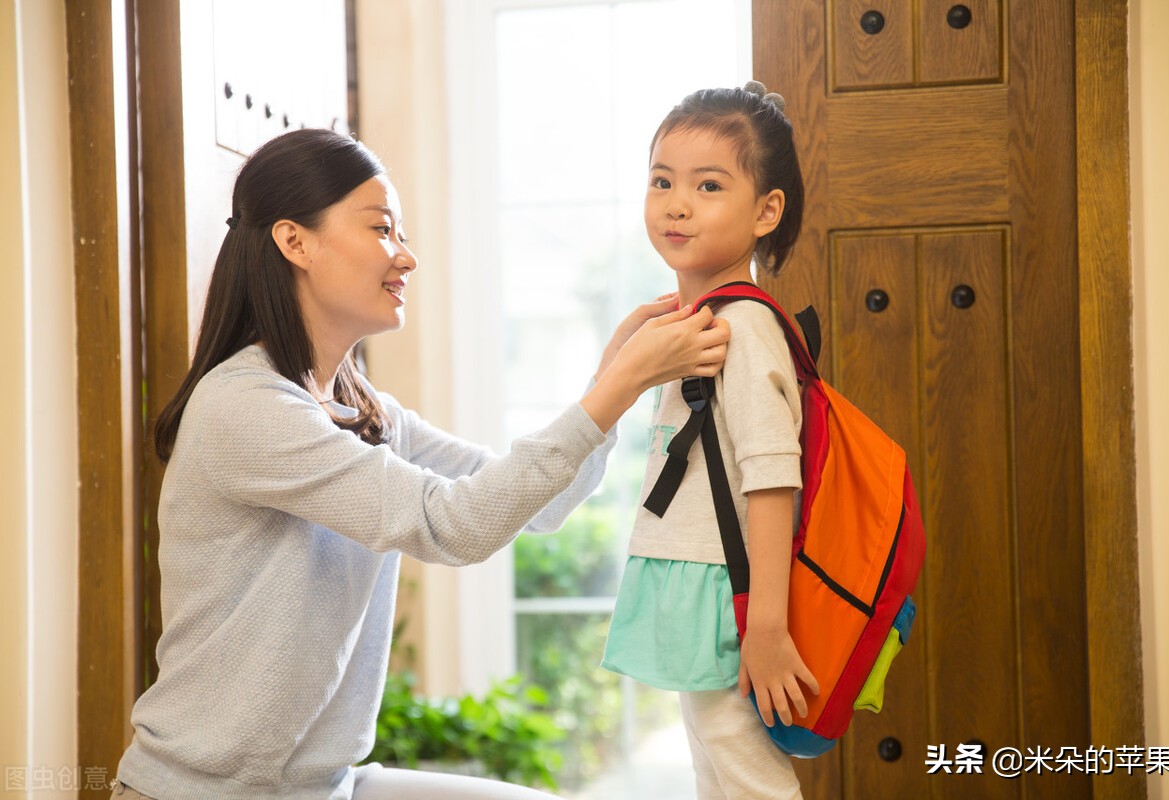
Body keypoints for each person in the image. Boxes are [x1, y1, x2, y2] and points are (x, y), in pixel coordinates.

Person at [111, 127, 730, 800]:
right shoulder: (246, 407)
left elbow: (541, 505)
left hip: (324, 786)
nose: (406, 256)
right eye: (382, 229)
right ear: (295, 242)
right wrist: (619, 389)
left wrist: (611, 383)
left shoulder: (365, 410)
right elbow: (453, 525)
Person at [599, 82, 819, 799]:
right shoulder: (700, 322)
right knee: (716, 772)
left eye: (708, 184)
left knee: (746, 776)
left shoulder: (743, 327)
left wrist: (765, 625)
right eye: (661, 181)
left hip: (731, 589)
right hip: (704, 578)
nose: (676, 203)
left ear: (766, 211)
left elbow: (771, 475)